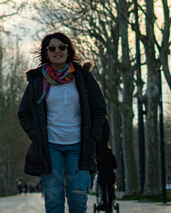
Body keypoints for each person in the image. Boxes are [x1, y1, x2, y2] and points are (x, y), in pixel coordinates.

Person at [18, 32, 108, 213]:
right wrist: (36, 136)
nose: (57, 51)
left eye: (61, 47)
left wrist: (93, 136)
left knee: (78, 200)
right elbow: (24, 113)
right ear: (46, 53)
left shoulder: (83, 77)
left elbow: (99, 109)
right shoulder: (37, 81)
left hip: (80, 148)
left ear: (68, 50)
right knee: (53, 201)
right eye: (52, 48)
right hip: (50, 149)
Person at [96, 146, 117, 212]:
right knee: (110, 190)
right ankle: (110, 206)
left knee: (103, 191)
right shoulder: (112, 156)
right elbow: (115, 166)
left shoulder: (99, 156)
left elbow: (97, 167)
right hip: (110, 175)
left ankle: (105, 205)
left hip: (102, 175)